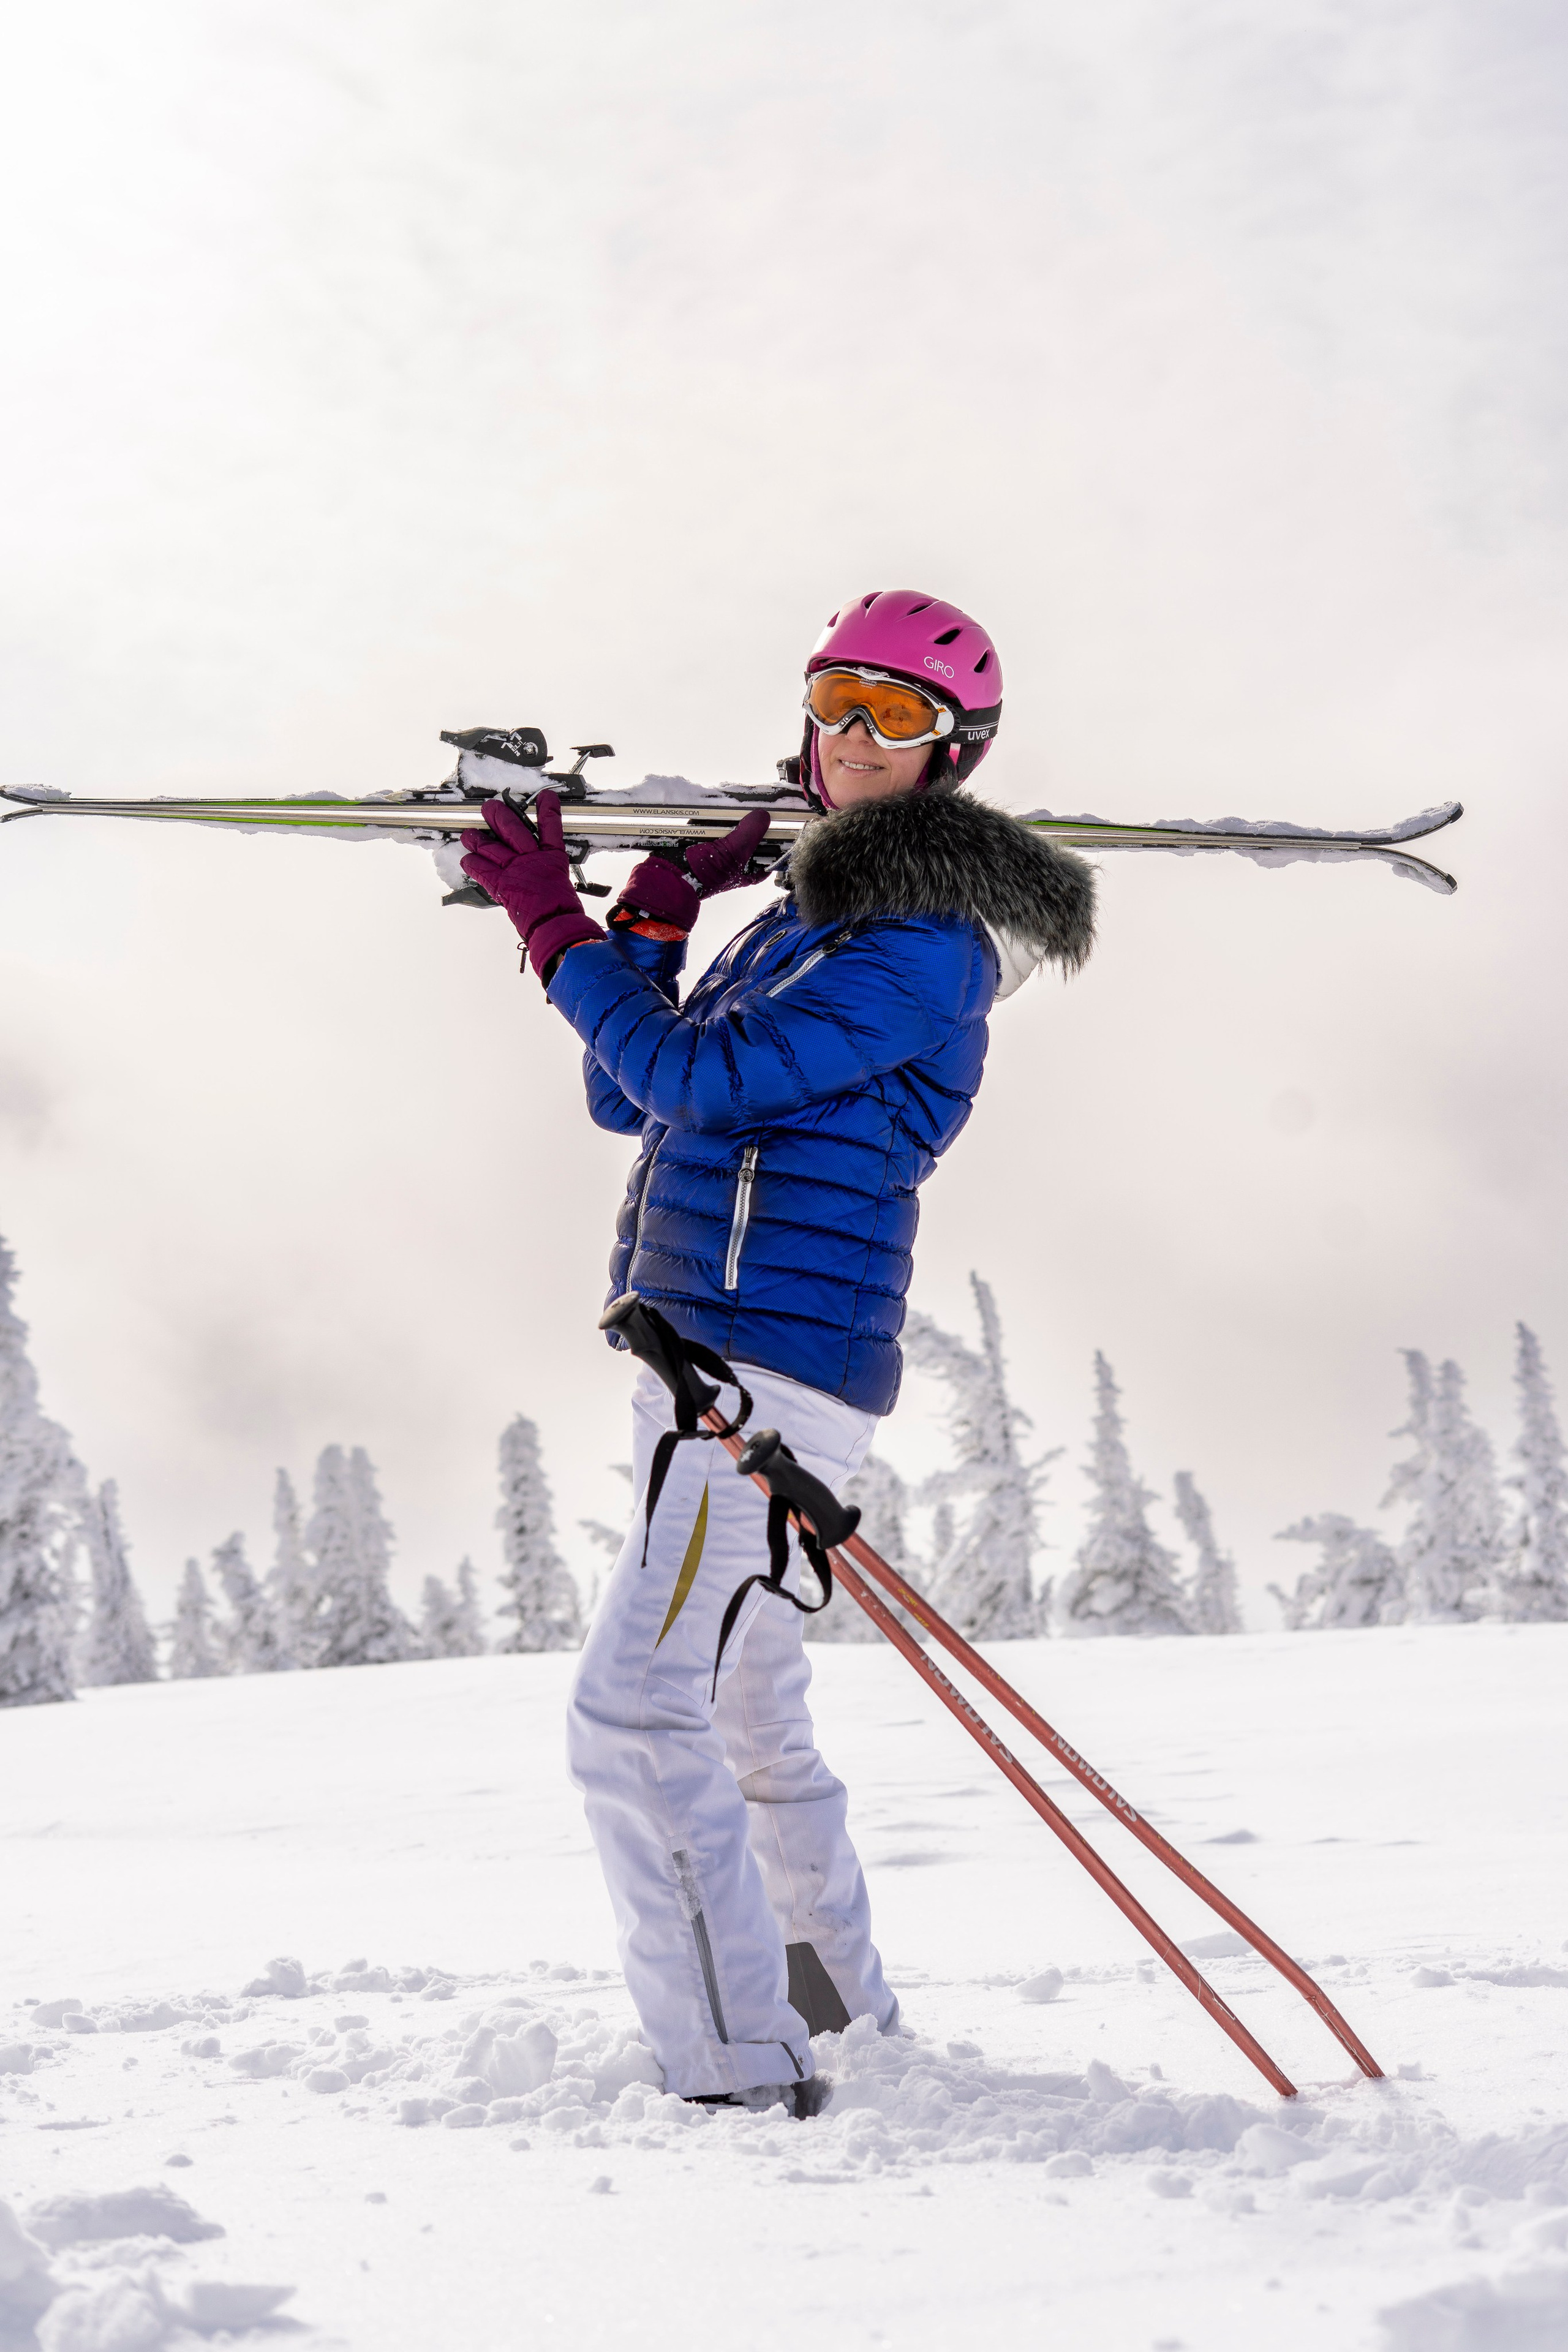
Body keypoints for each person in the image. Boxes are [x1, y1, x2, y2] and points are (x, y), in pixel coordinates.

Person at [460, 590, 1095, 2114]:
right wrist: (662, 909)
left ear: (953, 755)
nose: (847, 738)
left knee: (633, 1710)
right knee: (741, 1704)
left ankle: (733, 2064)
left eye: (892, 717)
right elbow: (640, 1096)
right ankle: (828, 2002)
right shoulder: (816, 927)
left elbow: (690, 1073)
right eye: (832, 700)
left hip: (755, 1375)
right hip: (711, 1356)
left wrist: (550, 916)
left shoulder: (922, 948)